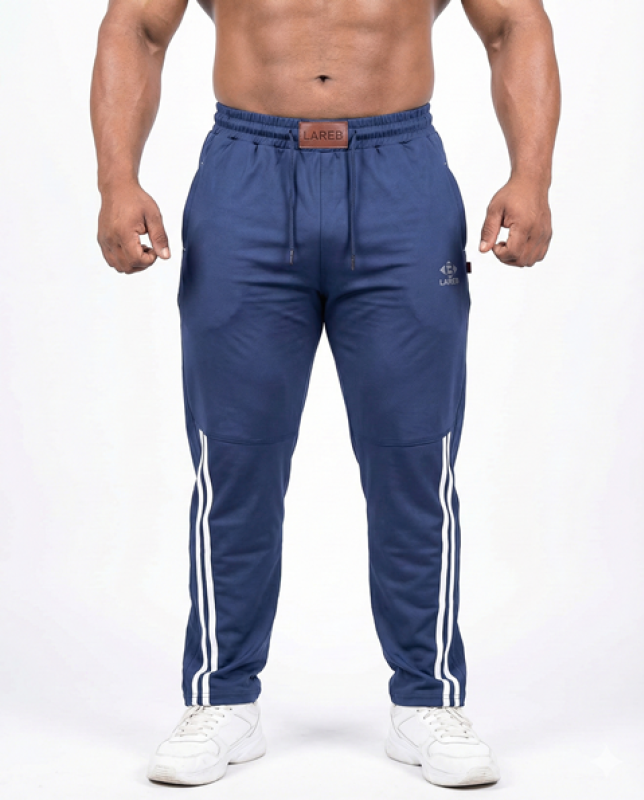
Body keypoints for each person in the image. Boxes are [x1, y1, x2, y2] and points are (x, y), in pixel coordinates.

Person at [90, 0, 560, 788]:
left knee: (415, 459)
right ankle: (221, 698)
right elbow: (134, 24)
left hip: (399, 178)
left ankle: (427, 699)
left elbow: (515, 22)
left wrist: (531, 174)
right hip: (245, 175)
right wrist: (116, 179)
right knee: (232, 459)